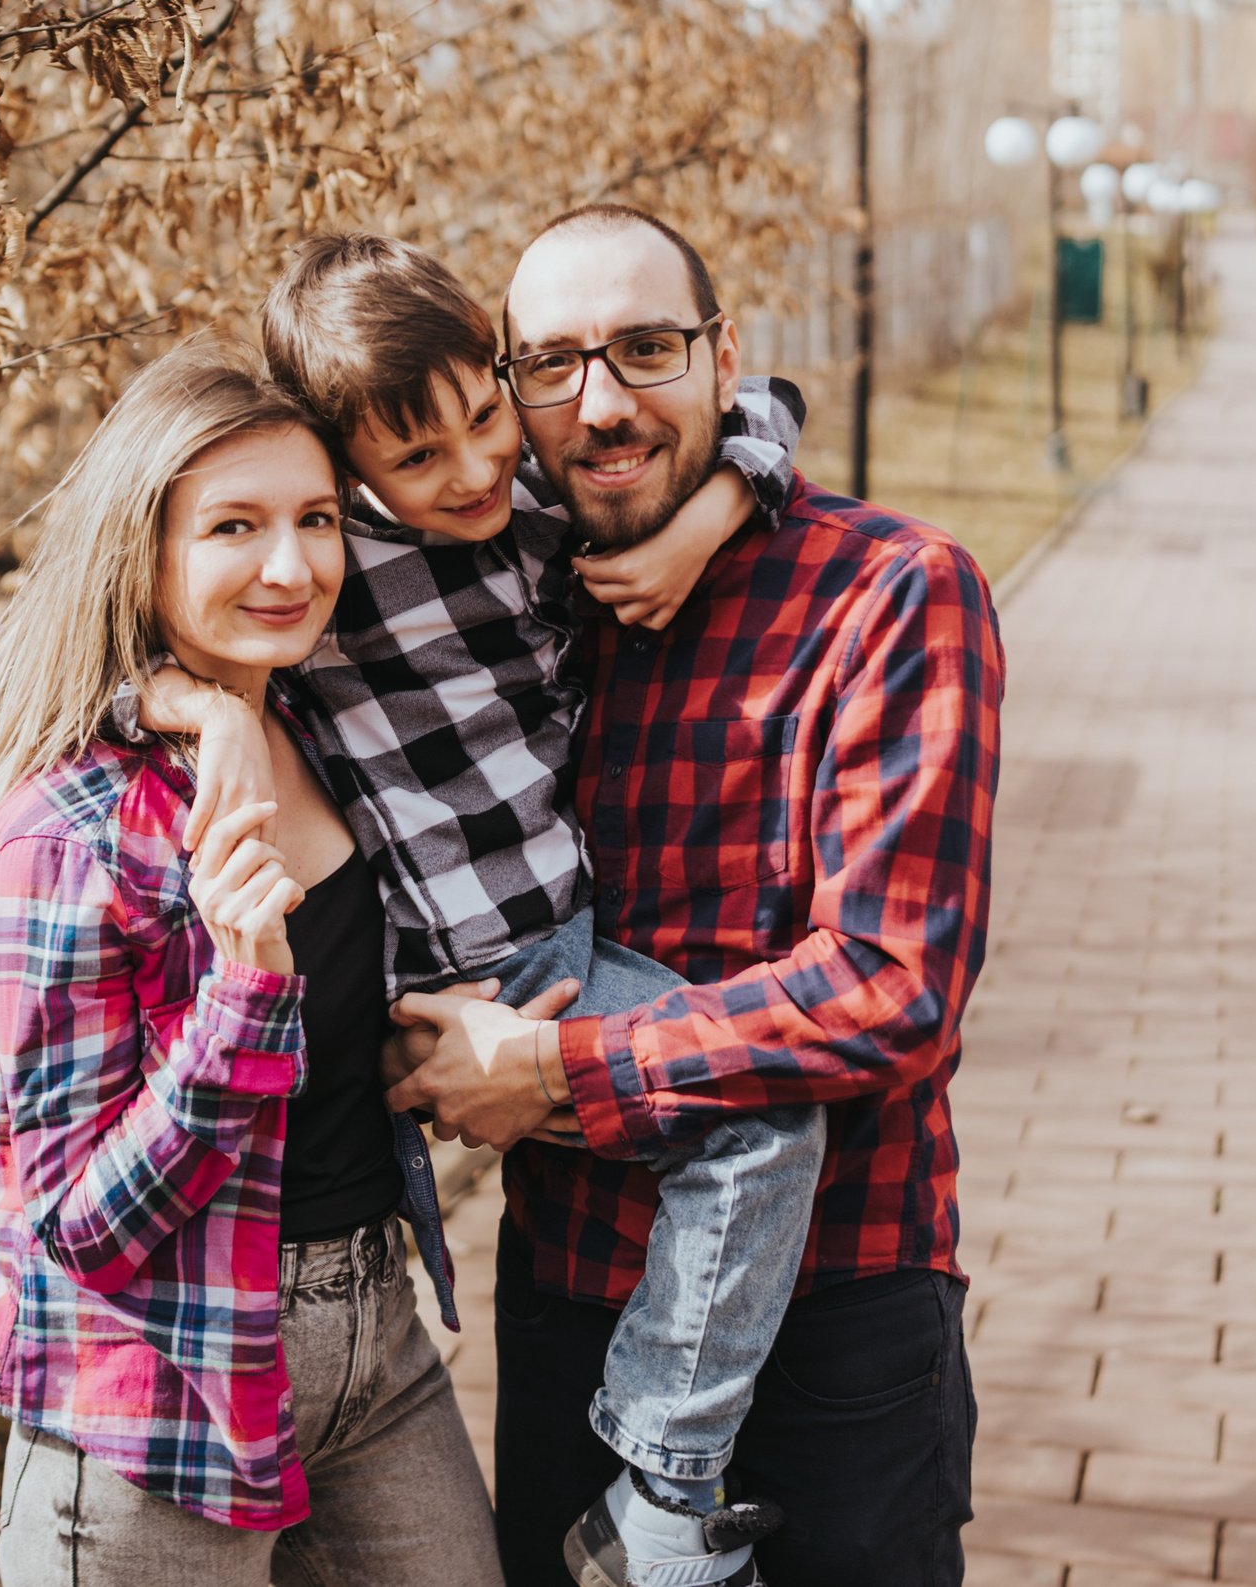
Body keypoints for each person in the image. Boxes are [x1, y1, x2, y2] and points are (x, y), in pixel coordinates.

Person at [149, 233, 825, 1587]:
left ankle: (655, 1464)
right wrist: (193, 708)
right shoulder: (327, 574)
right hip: (485, 953)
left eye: (483, 418)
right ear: (344, 467)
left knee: (737, 1113)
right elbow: (128, 632)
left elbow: (768, 411)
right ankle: (664, 1484)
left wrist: (706, 516)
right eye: (418, 460)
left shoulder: (524, 503)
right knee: (759, 1112)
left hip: (561, 928)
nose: (470, 471)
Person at [386, 205, 1005, 1587]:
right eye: (550, 363)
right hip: (573, 1297)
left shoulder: (893, 593)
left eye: (646, 350)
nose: (600, 404)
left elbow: (892, 988)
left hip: (838, 1304)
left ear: (723, 356)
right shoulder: (508, 585)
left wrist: (557, 1066)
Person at [0, 338, 506, 1585]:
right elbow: (73, 1227)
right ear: (143, 549)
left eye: (313, 519)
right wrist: (244, 994)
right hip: (153, 1395)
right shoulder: (62, 837)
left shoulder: (309, 716)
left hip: (377, 1340)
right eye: (233, 526)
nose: (291, 566)